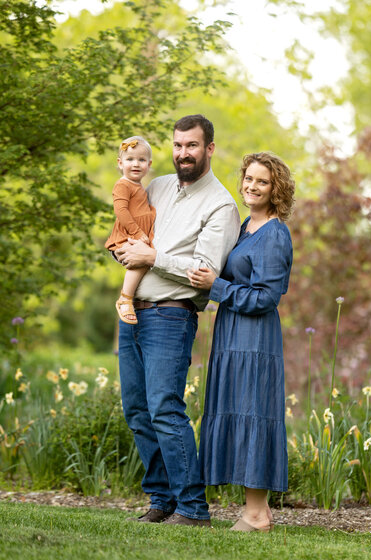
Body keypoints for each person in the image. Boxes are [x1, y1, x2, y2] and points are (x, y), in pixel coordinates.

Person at [114, 115, 241, 526]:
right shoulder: (159, 186)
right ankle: (161, 499)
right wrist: (123, 249)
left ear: (210, 149)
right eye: (178, 145)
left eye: (192, 145)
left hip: (171, 315)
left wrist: (152, 258)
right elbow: (134, 231)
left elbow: (204, 270)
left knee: (165, 409)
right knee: (137, 409)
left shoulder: (221, 205)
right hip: (133, 312)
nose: (183, 153)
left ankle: (192, 508)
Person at [187, 151, 295, 532]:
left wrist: (215, 287)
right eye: (248, 178)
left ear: (275, 188)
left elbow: (266, 297)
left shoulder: (275, 233)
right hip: (231, 332)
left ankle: (255, 513)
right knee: (236, 409)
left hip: (255, 339)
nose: (251, 186)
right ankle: (256, 511)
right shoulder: (247, 224)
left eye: (261, 181)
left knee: (253, 412)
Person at [105, 136, 156, 324]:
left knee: (145, 262)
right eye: (130, 159)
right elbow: (121, 211)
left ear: (149, 164)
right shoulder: (123, 185)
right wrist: (137, 233)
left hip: (139, 234)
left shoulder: (139, 186)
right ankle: (125, 299)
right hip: (127, 235)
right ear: (120, 163)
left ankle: (132, 297)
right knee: (141, 262)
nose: (136, 164)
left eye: (141, 160)